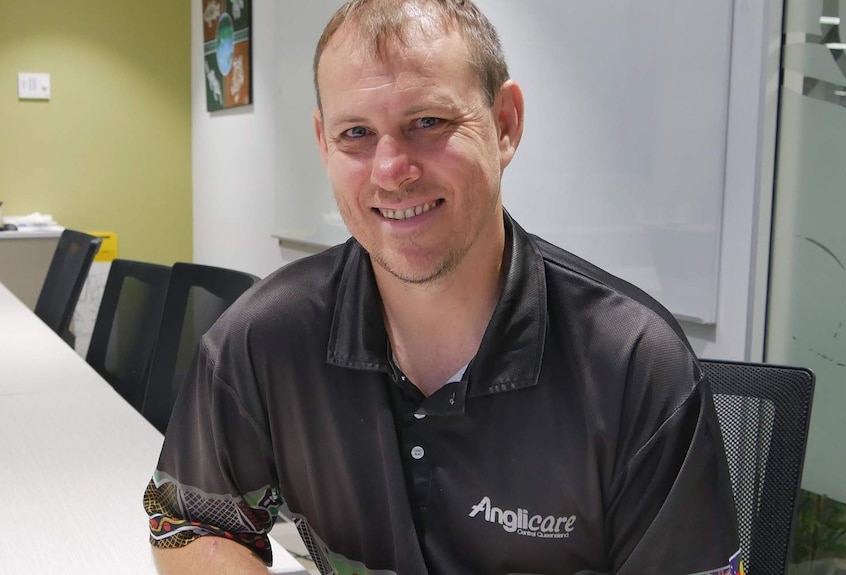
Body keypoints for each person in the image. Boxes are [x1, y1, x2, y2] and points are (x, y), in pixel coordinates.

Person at [144, 0, 743, 573]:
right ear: (324, 142)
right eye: (356, 133)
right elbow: (190, 521)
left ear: (504, 124)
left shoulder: (633, 365)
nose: (390, 171)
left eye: (427, 122)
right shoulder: (263, 339)